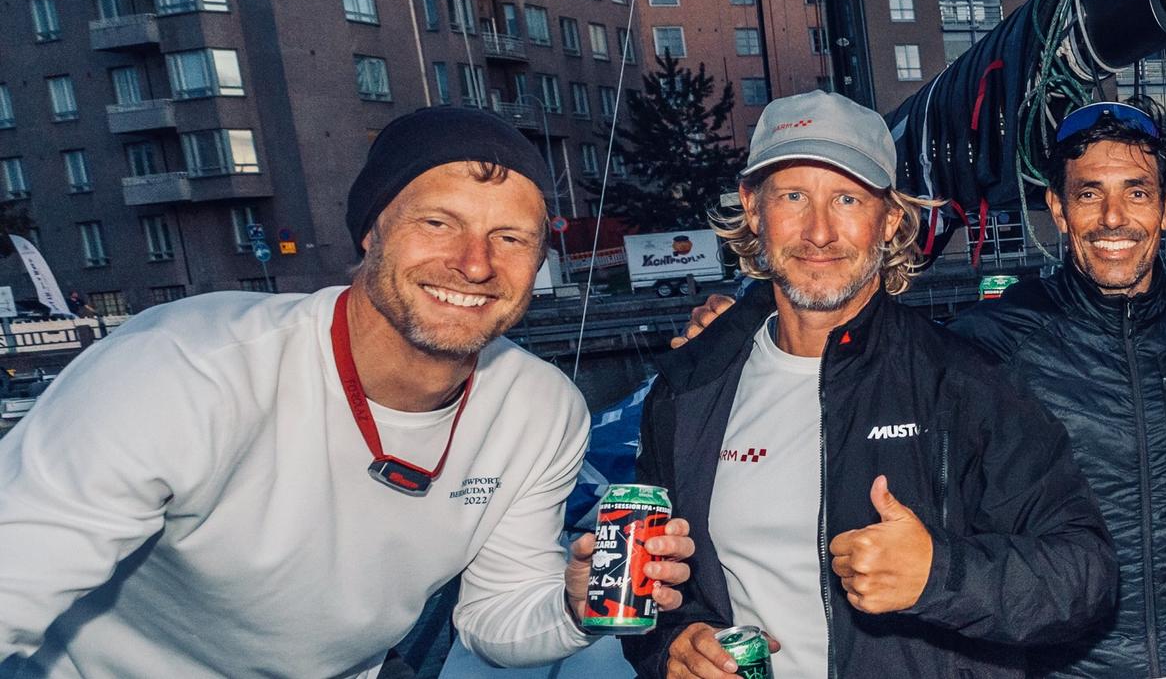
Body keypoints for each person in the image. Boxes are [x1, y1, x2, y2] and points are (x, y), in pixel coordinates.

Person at [0, 107, 696, 676]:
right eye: (437, 222)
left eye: (510, 237)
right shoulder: (186, 366)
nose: (475, 262)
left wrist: (575, 609)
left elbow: (495, 618)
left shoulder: (541, 409)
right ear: (371, 230)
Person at [675, 101, 1166, 676]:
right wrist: (740, 327)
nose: (1113, 217)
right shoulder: (993, 343)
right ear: (1058, 210)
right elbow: (857, 332)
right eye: (1088, 194)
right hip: (1071, 665)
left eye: (1136, 192)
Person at [619, 91, 1117, 679]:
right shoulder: (687, 389)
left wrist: (940, 575)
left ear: (890, 220)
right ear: (754, 210)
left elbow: (1086, 576)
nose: (820, 231)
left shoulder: (965, 382)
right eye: (794, 196)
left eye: (848, 198)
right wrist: (671, 645)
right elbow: (649, 584)